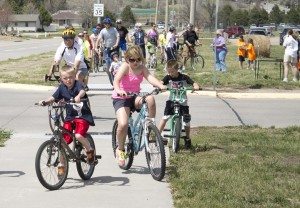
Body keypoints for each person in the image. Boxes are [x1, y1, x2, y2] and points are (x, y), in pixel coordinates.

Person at [112, 45, 167, 167]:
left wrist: (160, 85)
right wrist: (119, 90)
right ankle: (120, 150)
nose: (135, 62)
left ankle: (150, 126)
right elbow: (116, 81)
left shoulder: (142, 68)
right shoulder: (125, 67)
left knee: (150, 99)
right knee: (123, 124)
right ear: (127, 59)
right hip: (121, 97)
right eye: (132, 60)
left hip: (134, 96)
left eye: (138, 59)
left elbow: (150, 78)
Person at [38, 65, 95, 175]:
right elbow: (53, 97)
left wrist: (78, 96)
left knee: (78, 135)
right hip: (70, 118)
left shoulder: (77, 85)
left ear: (74, 77)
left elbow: (82, 91)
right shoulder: (61, 88)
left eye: (70, 77)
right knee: (63, 141)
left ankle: (89, 149)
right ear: (61, 79)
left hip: (82, 117)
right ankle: (62, 164)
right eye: (65, 78)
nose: (68, 80)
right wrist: (45, 101)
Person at [158, 59, 200, 149]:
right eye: (169, 71)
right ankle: (157, 134)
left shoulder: (184, 77)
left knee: (186, 121)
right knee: (165, 117)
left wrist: (195, 86)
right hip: (171, 101)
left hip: (183, 102)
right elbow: (161, 82)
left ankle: (188, 138)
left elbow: (193, 83)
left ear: (177, 69)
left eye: (172, 71)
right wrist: (161, 86)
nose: (170, 73)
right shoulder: (168, 77)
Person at [96, 17, 120, 83]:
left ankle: (116, 81)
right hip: (106, 49)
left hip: (114, 49)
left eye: (107, 23)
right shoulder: (103, 30)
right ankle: (112, 81)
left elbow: (118, 36)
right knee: (108, 67)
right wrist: (96, 47)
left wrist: (116, 44)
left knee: (115, 65)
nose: (106, 25)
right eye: (105, 23)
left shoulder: (114, 29)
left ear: (110, 24)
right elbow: (98, 38)